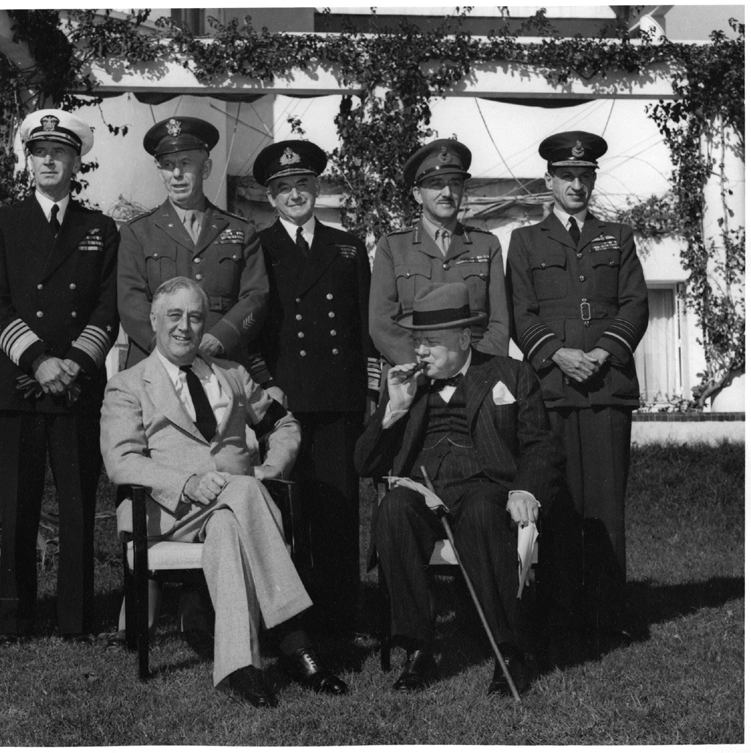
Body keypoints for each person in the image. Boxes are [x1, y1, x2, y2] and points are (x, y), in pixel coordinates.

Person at [101, 277, 348, 708]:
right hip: (168, 511)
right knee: (246, 494)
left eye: (195, 317)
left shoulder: (231, 375)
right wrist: (187, 483)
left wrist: (270, 469)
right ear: (155, 320)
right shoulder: (128, 385)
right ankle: (293, 639)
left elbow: (284, 425)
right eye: (174, 316)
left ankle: (239, 666)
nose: (185, 327)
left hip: (229, 507)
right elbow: (122, 461)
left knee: (230, 525)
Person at [354, 283, 561, 695]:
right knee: (394, 508)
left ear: (464, 339)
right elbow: (364, 464)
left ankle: (509, 652)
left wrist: (526, 491)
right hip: (423, 489)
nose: (421, 353)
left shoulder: (511, 374)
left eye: (431, 343)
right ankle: (417, 648)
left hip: (485, 487)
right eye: (418, 342)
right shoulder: (406, 386)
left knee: (486, 510)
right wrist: (394, 407)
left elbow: (542, 446)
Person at [0, 108, 120, 643]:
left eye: (59, 153)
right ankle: (16, 619)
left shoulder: (98, 228)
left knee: (79, 504)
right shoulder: (2, 222)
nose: (49, 162)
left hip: (77, 386)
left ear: (76, 162)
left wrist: (73, 365)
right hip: (19, 382)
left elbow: (105, 310)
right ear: (28, 161)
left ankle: (75, 618)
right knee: (17, 503)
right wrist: (39, 359)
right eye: (40, 153)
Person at [505, 131, 648, 638]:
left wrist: (602, 351)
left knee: (606, 502)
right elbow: (521, 312)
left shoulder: (619, 236)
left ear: (593, 180)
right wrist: (557, 354)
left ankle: (609, 615)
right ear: (549, 181)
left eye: (585, 177)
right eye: (567, 177)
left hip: (607, 385)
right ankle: (561, 613)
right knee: (559, 502)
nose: (577, 185)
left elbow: (635, 305)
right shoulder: (525, 240)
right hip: (555, 387)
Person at [248, 139, 379, 637]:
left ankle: (341, 619)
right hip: (285, 400)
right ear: (270, 198)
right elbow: (255, 324)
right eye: (283, 188)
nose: (295, 194)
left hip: (340, 397)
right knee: (290, 513)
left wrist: (369, 391)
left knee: (339, 511)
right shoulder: (258, 246)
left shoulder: (346, 245)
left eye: (303, 184)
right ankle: (292, 624)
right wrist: (265, 384)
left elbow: (364, 327)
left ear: (317, 188)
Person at [116, 116, 268, 369]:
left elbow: (256, 296)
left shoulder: (240, 230)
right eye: (167, 165)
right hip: (156, 362)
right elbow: (130, 301)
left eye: (185, 163)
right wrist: (168, 347)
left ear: (205, 169)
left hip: (222, 361)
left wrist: (219, 338)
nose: (176, 174)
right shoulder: (138, 232)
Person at [370, 139, 509, 365]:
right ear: (417, 194)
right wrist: (424, 367)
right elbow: (382, 324)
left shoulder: (487, 245)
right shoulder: (393, 247)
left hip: (475, 376)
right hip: (414, 376)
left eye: (455, 183)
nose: (447, 192)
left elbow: (499, 324)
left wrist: (473, 372)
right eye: (436, 184)